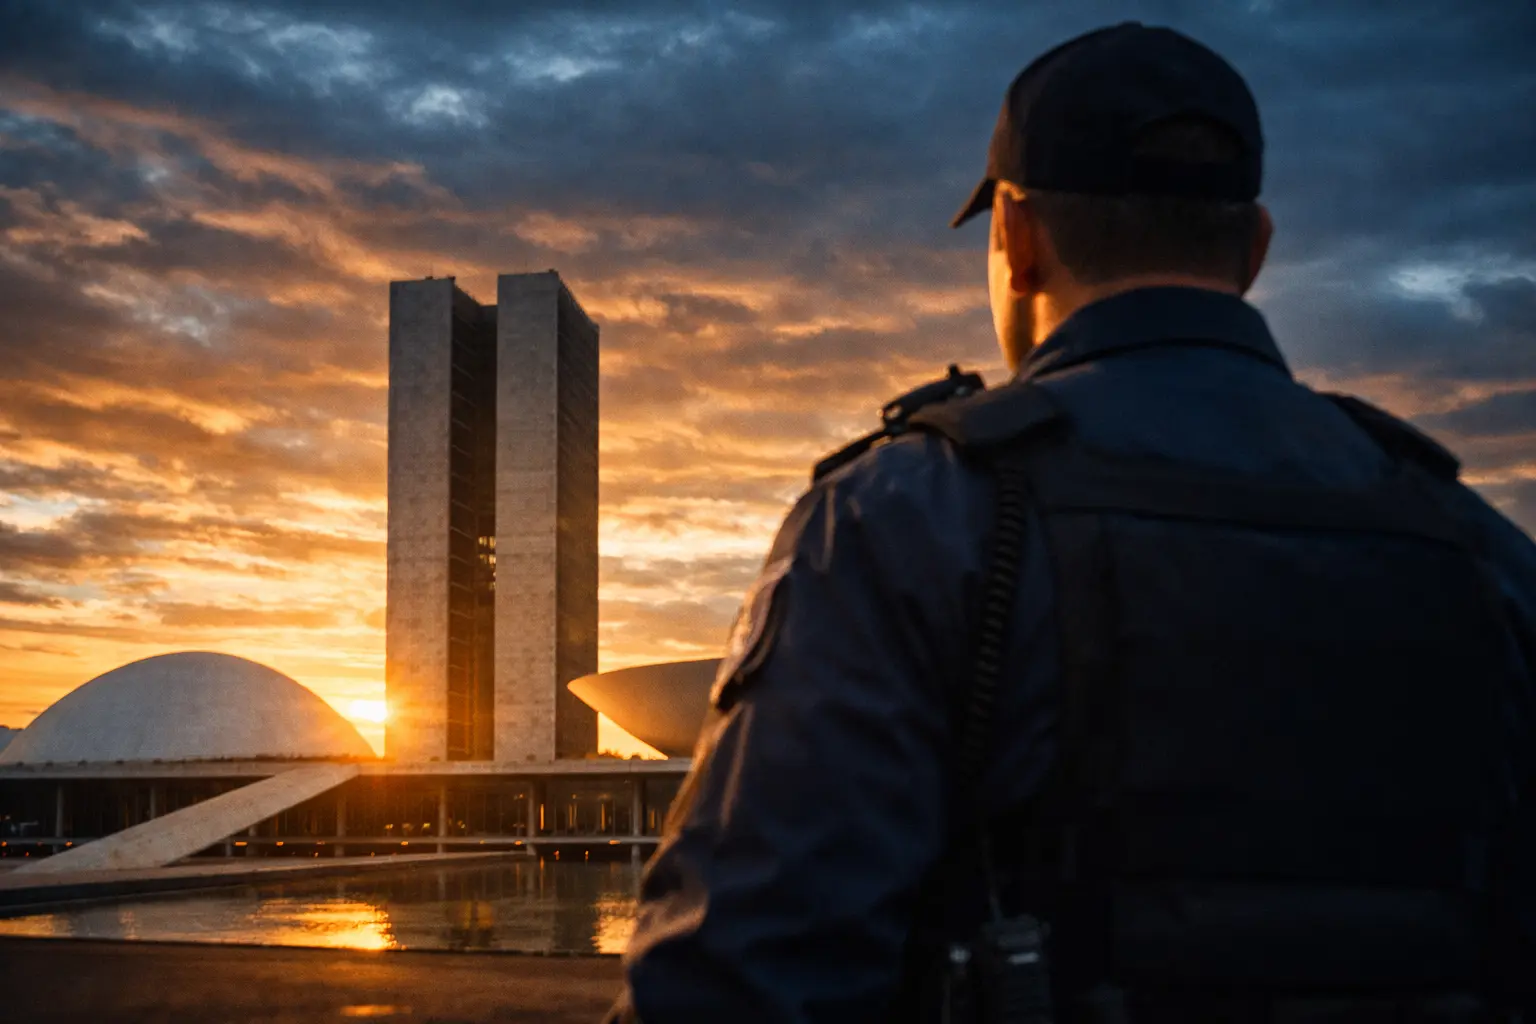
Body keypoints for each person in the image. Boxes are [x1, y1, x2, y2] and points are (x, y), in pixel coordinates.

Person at [606, 22, 1535, 1024]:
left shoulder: (907, 519)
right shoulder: (1473, 545)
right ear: (1255, 247)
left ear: (1015, 235)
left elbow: (735, 979)